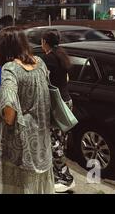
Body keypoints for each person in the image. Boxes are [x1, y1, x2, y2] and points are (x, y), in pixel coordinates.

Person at [0, 27, 54, 194]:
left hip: (20, 146)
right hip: (42, 142)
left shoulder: (10, 68)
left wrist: (8, 118)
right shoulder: (40, 63)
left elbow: (9, 107)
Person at [41, 30, 75, 193]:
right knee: (61, 141)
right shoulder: (62, 55)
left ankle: (66, 178)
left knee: (55, 142)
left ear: (45, 42)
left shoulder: (48, 59)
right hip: (67, 101)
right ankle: (58, 173)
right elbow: (66, 79)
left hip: (57, 104)